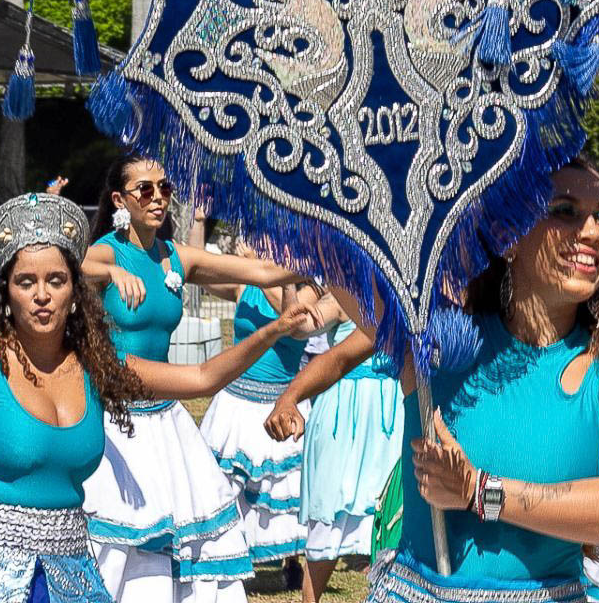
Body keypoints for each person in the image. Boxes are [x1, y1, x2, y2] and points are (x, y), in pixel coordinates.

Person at [0, 192, 316, 603]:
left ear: (75, 292)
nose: (42, 295)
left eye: (56, 281)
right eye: (26, 282)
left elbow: (202, 377)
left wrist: (273, 330)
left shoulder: (97, 365)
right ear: (6, 292)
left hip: (68, 570)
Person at [313, 155, 599, 603]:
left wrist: (479, 491)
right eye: (564, 211)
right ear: (509, 236)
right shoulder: (439, 343)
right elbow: (328, 242)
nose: (591, 232)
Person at [80, 156, 308, 603]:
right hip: (114, 416)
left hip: (164, 416)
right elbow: (70, 265)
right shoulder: (108, 251)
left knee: (182, 538)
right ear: (120, 200)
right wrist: (110, 272)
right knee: (117, 542)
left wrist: (337, 253)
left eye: (164, 187)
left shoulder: (174, 256)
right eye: (145, 189)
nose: (158, 198)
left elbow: (264, 272)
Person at [262, 298, 404, 603]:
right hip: (343, 416)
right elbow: (302, 328)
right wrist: (289, 290)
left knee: (392, 513)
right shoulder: (342, 297)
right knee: (330, 509)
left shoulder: (399, 297)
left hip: (391, 414)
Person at [196, 242, 319, 572]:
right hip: (236, 400)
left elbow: (293, 319)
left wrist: (268, 274)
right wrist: (198, 223)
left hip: (279, 400)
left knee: (281, 490)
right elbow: (202, 274)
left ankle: (291, 560)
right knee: (225, 485)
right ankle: (230, 554)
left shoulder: (310, 290)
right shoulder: (244, 282)